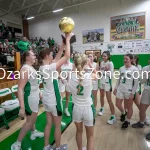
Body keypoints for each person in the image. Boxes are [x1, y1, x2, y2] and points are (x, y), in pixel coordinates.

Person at [39, 33, 72, 150]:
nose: (53, 55)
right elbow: (67, 56)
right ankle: (58, 147)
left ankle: (46, 146)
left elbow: (57, 58)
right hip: (54, 100)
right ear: (47, 56)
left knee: (49, 124)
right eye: (51, 54)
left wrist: (62, 46)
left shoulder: (42, 67)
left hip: (47, 100)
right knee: (57, 126)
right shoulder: (49, 68)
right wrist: (68, 40)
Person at [11, 51, 44, 150]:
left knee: (32, 119)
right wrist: (22, 107)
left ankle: (33, 132)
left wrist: (39, 93)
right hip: (29, 99)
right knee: (29, 122)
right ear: (27, 57)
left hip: (34, 97)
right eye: (33, 55)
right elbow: (20, 88)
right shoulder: (25, 69)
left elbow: (34, 84)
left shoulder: (31, 68)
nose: (35, 56)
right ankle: (17, 143)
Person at [68, 53, 96, 150]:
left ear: (75, 64)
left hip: (76, 109)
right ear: (85, 63)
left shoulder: (71, 76)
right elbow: (97, 74)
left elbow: (73, 72)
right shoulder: (90, 76)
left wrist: (74, 67)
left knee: (79, 132)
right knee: (90, 137)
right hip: (88, 109)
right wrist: (90, 65)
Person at [114, 54, 139, 130]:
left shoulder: (135, 69)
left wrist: (133, 93)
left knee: (129, 107)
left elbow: (136, 83)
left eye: (126, 59)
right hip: (120, 89)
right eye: (124, 58)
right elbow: (118, 79)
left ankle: (127, 121)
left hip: (129, 90)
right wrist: (115, 88)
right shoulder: (121, 68)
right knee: (117, 104)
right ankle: (123, 113)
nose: (124, 60)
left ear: (131, 60)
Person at [132, 64, 150, 140]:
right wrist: (147, 76)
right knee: (142, 109)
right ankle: (141, 122)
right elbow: (141, 81)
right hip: (147, 90)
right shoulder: (146, 68)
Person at [98, 51, 116, 125]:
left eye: (105, 56)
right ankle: (102, 108)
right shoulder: (101, 62)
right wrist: (101, 71)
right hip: (101, 82)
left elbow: (111, 75)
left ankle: (113, 116)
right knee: (101, 97)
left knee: (109, 100)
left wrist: (102, 71)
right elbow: (100, 72)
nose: (103, 57)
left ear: (108, 56)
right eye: (103, 56)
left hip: (108, 83)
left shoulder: (110, 63)